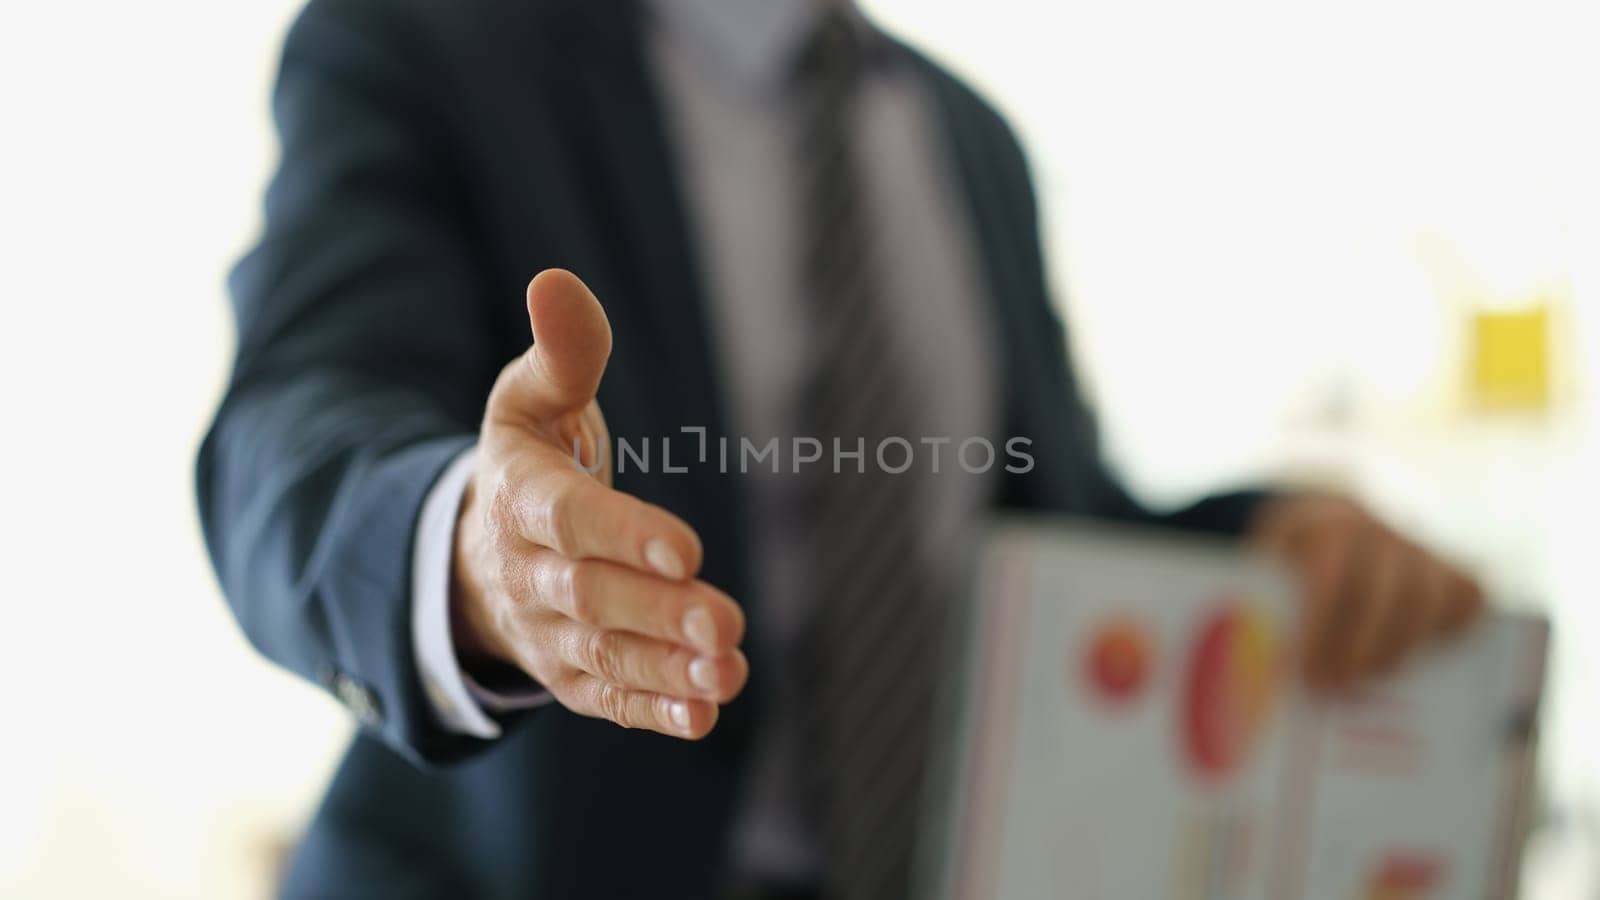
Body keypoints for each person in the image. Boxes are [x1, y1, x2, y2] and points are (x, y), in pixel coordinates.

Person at [197, 0, 1483, 897]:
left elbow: (1038, 531)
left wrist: (1270, 533)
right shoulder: (418, 41)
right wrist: (474, 549)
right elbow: (290, 431)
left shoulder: (971, 144)